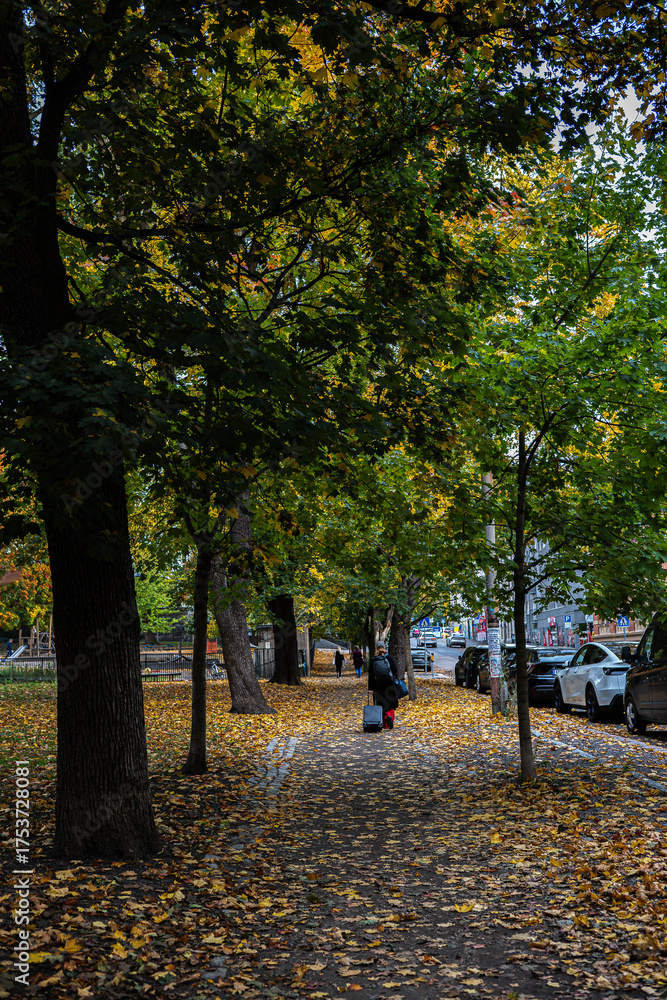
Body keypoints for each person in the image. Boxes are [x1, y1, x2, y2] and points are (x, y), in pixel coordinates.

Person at [368, 643, 400, 730]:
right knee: (390, 703)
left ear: (376, 648)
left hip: (378, 686)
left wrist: (371, 688)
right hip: (389, 684)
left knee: (381, 704)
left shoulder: (373, 660)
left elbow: (371, 675)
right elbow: (395, 670)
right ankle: (389, 716)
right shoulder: (389, 658)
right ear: (384, 647)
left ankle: (384, 724)